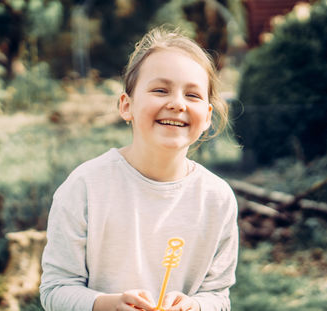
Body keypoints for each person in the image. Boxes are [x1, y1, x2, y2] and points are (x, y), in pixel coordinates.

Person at [40, 26, 239, 311]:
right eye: (160, 90)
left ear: (207, 117)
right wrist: (107, 305)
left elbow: (218, 296)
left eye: (193, 96)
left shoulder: (217, 199)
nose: (176, 103)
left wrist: (194, 306)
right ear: (126, 106)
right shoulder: (85, 187)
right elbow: (55, 290)